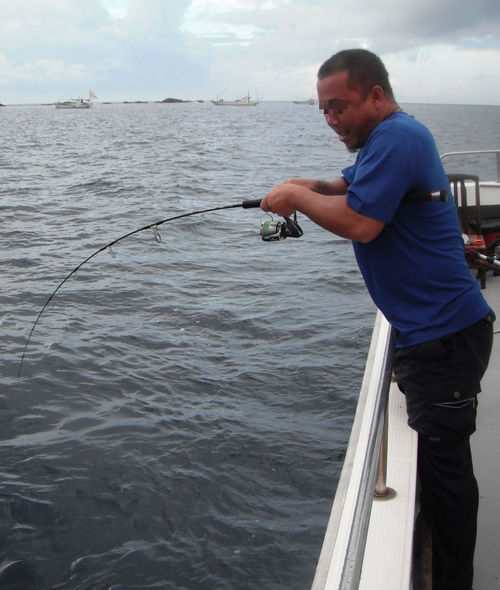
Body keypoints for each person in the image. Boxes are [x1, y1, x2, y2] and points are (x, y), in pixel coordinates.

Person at [261, 48, 494, 590]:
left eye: (338, 106)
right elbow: (345, 188)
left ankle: (456, 579)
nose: (331, 120)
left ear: (375, 95)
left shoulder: (395, 137)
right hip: (433, 335)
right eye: (322, 110)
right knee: (443, 466)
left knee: (447, 475)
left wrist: (296, 195)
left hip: (445, 338)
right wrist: (307, 185)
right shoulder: (381, 143)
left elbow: (362, 223)